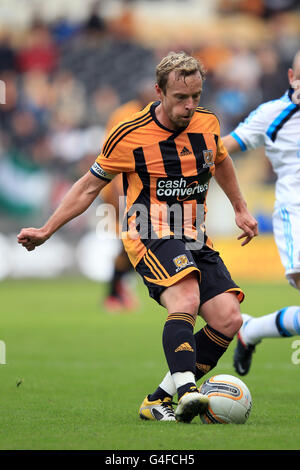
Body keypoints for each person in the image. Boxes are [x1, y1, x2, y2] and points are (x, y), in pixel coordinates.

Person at [17, 52, 258, 423]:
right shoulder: (129, 134)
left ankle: (157, 400)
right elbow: (87, 187)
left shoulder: (208, 124)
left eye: (196, 96)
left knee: (228, 318)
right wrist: (47, 230)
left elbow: (221, 159)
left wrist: (241, 208)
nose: (189, 105)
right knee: (187, 295)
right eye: (180, 97)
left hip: (194, 233)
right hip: (148, 230)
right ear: (159, 91)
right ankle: (188, 391)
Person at [222, 49, 300, 376]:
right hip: (295, 213)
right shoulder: (273, 114)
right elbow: (222, 147)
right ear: (293, 78)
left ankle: (250, 330)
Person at [101, 80, 156, 312]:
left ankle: (117, 291)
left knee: (131, 242)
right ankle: (115, 293)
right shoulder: (124, 116)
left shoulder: (154, 117)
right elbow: (111, 156)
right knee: (130, 241)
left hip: (138, 189)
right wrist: (119, 195)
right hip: (119, 188)